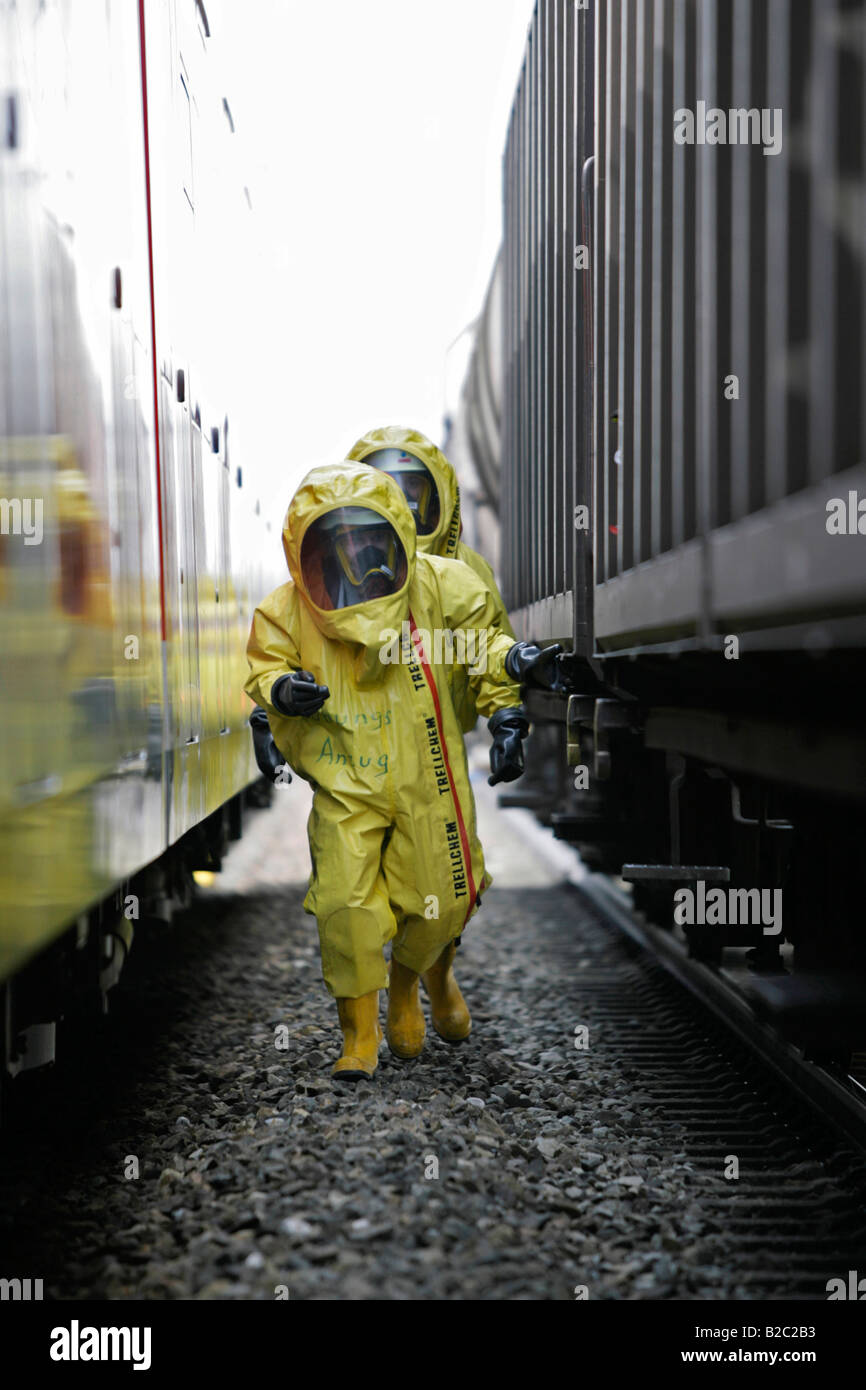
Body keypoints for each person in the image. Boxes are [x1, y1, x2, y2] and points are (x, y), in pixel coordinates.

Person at [245, 461, 559, 1081]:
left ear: (397, 533)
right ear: (313, 545)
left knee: (442, 901)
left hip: (428, 776)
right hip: (346, 782)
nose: (361, 556)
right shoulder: (290, 609)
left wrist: (514, 664)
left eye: (371, 538)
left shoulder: (441, 586)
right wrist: (281, 691)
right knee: (346, 905)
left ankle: (413, 982)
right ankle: (359, 1037)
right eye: (343, 542)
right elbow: (265, 665)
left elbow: (478, 643)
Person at [346, 425, 514, 732]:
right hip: (364, 739)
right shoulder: (339, 569)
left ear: (435, 494)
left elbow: (488, 645)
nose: (399, 495)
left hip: (437, 741)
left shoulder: (466, 568)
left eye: (411, 483)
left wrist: (505, 713)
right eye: (383, 484)